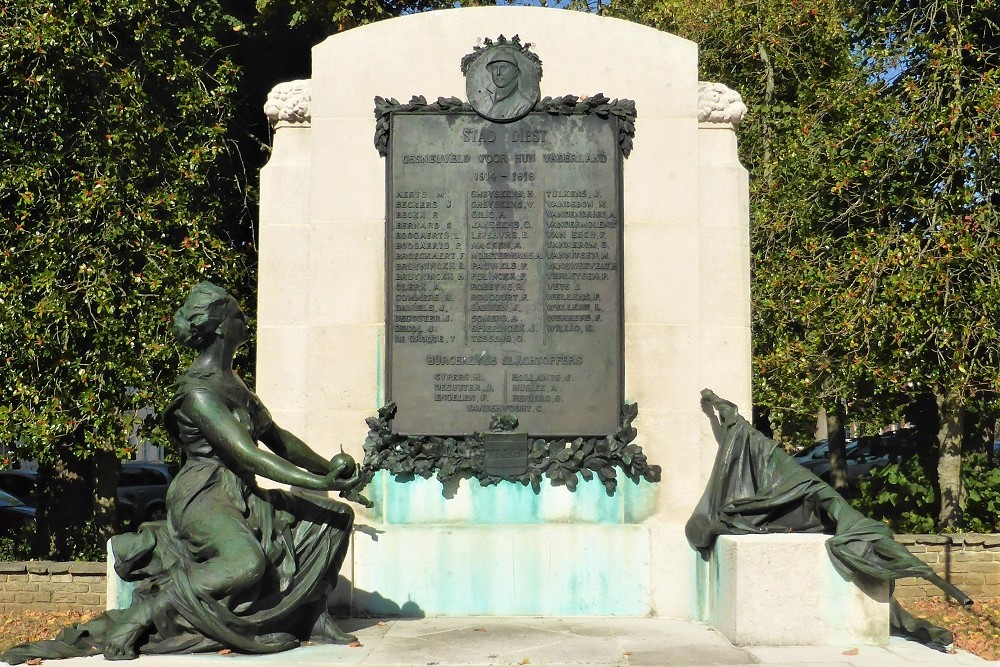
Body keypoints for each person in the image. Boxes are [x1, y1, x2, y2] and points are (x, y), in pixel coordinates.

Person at [2, 282, 366, 663]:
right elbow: (248, 454)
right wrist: (319, 482)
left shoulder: (235, 382)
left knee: (335, 517)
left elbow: (278, 440)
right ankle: (143, 615)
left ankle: (311, 614)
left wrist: (333, 473)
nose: (247, 322)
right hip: (204, 492)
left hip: (242, 491)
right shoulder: (198, 393)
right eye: (241, 316)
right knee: (245, 564)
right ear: (223, 327)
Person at [485, 50, 535, 120]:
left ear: (515, 72)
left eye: (504, 67)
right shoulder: (483, 101)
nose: (498, 72)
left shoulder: (523, 105)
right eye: (495, 68)